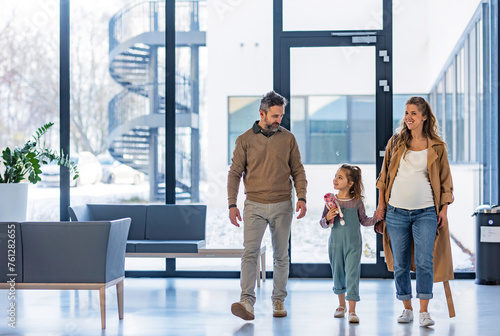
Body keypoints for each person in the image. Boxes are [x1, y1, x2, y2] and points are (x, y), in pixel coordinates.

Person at [227, 90, 308, 321]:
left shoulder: (288, 138)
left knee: (281, 255)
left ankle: (278, 300)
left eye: (281, 116)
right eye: (274, 116)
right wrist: (232, 204)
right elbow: (234, 173)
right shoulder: (244, 140)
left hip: (283, 204)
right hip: (254, 204)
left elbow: (298, 170)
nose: (278, 120)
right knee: (250, 253)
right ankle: (247, 302)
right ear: (261, 113)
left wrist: (301, 196)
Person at [375, 96, 454, 327]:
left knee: (424, 261)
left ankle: (424, 312)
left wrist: (444, 209)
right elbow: (383, 178)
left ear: (424, 117)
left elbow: (446, 181)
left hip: (426, 212)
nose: (408, 117)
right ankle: (406, 308)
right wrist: (381, 206)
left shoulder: (437, 146)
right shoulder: (396, 142)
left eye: (414, 114)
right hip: (396, 211)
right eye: (406, 113)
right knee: (399, 263)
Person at [319, 164, 378, 323]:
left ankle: (352, 310)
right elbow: (322, 224)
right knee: (338, 273)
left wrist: (376, 218)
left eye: (340, 177)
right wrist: (328, 218)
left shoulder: (357, 202)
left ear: (350, 183)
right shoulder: (330, 201)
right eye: (335, 176)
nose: (335, 180)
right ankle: (341, 305)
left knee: (352, 274)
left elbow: (364, 221)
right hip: (335, 244)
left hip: (353, 245)